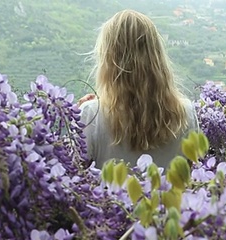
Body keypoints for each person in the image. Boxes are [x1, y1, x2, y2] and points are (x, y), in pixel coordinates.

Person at [78, 9, 199, 170]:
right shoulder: (186, 113)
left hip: (109, 195)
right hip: (167, 196)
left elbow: (75, 177)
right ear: (157, 56)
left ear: (109, 59)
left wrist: (80, 116)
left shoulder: (90, 114)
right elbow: (189, 176)